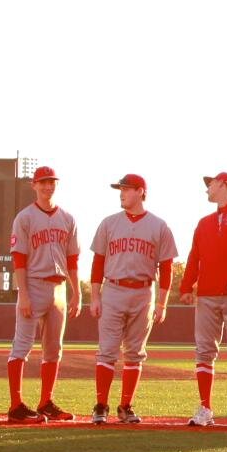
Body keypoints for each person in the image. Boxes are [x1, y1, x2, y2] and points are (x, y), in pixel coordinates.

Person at [86, 174, 175, 425]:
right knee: (107, 352)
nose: (121, 193)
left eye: (126, 189)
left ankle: (126, 406)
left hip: (143, 292)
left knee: (135, 353)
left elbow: (167, 267)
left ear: (140, 192)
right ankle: (100, 406)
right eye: (121, 189)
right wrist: (94, 297)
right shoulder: (109, 223)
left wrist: (162, 303)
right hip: (113, 289)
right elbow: (98, 263)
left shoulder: (159, 226)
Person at [176, 172, 227, 427]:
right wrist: (186, 285)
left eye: (210, 183)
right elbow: (194, 255)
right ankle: (205, 408)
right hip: (207, 294)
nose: (207, 188)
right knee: (204, 351)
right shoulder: (204, 222)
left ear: (224, 184)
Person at [5, 166, 79, 423]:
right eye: (43, 183)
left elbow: (72, 259)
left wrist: (77, 293)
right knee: (21, 346)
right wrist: (23, 294)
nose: (48, 187)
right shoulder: (24, 217)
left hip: (58, 288)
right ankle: (16, 406)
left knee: (53, 349)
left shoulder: (68, 218)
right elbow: (19, 259)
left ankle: (46, 402)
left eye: (52, 182)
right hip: (34, 284)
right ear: (34, 185)